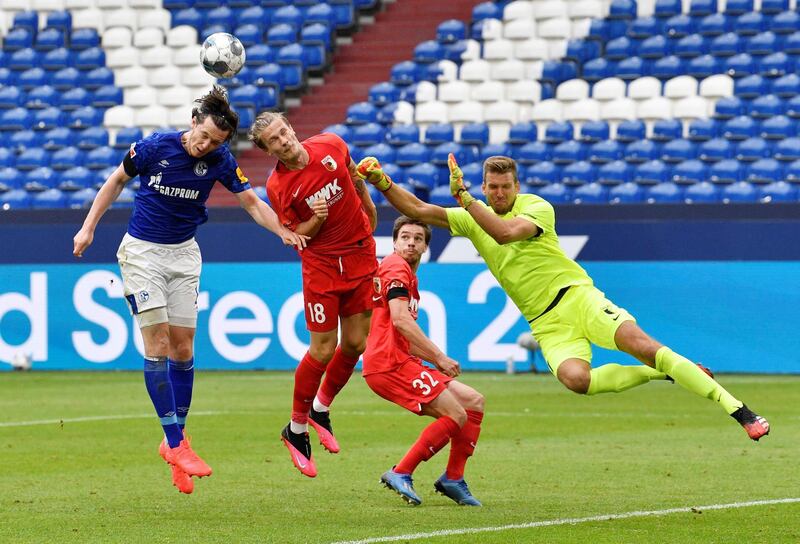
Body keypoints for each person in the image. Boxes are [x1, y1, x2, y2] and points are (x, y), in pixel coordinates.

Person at [356, 153, 770, 443]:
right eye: (492, 188)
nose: (499, 194)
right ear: (485, 185)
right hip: (546, 322)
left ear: (517, 186)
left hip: (577, 298)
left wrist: (466, 199)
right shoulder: (470, 215)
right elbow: (416, 208)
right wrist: (382, 181)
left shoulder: (536, 208)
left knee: (643, 345)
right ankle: (668, 373)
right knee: (577, 381)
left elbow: (504, 233)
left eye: (505, 187)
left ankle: (740, 411)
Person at [73, 86, 307, 495]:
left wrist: (283, 231)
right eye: (203, 136)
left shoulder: (219, 159)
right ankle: (178, 443)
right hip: (143, 253)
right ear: (193, 121)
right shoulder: (152, 148)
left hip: (184, 255)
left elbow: (252, 203)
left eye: (215, 142)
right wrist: (88, 226)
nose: (205, 146)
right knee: (159, 343)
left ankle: (173, 439)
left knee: (184, 348)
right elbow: (115, 181)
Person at [247, 112, 378, 478]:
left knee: (355, 344)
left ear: (292, 128)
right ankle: (297, 428)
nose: (284, 140)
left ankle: (321, 408)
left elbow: (352, 176)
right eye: (274, 140)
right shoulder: (278, 186)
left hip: (359, 254)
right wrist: (316, 220)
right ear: (267, 149)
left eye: (284, 132)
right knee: (322, 348)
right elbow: (296, 236)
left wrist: (367, 207)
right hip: (322, 266)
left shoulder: (331, 144)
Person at [362, 216, 484, 506]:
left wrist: (430, 357)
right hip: (388, 364)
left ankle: (453, 478)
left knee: (473, 401)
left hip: (401, 359)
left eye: (418, 238)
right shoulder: (395, 266)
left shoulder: (409, 276)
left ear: (426, 246)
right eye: (404, 237)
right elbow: (401, 320)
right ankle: (401, 471)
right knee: (456, 415)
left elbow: (403, 333)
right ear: (394, 242)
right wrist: (439, 357)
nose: (410, 243)